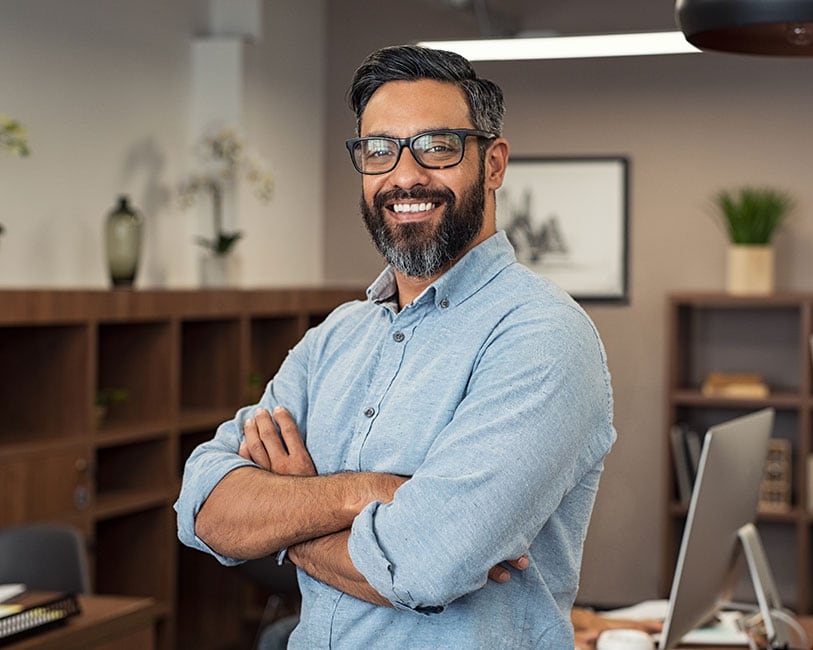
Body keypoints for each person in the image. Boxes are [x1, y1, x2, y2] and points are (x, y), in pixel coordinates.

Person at [175, 44, 616, 649]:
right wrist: (371, 491)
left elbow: (424, 567)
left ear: (492, 164)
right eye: (379, 150)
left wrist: (287, 513)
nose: (405, 175)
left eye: (437, 146)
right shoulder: (334, 338)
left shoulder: (542, 337)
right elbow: (203, 507)